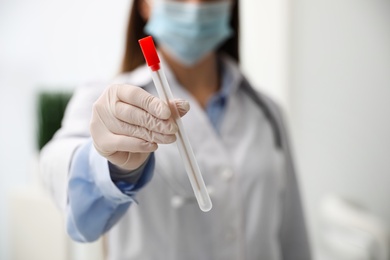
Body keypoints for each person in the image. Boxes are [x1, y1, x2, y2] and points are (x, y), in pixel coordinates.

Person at [40, 0, 312, 259]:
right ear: (145, 4)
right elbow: (64, 181)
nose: (196, 6)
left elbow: (293, 239)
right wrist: (114, 166)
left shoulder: (267, 112)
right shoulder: (105, 101)